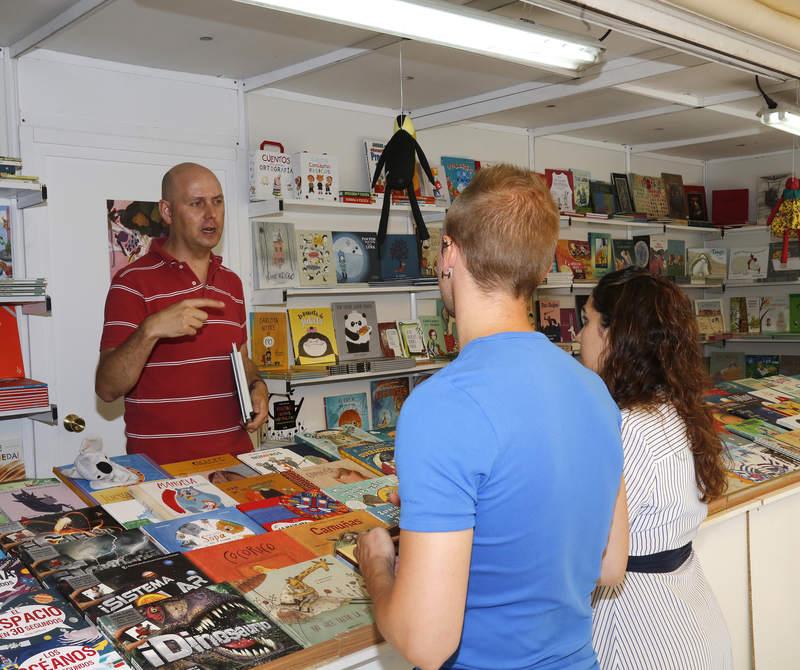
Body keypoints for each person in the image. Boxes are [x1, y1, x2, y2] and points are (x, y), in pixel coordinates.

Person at [355, 165, 628, 670]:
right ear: (541, 268)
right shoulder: (595, 392)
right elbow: (610, 566)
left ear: (450, 253)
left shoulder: (441, 406)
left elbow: (426, 641)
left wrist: (376, 565)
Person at [576, 268, 733, 670]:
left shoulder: (623, 427)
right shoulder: (674, 408)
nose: (580, 337)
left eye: (588, 323)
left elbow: (592, 554)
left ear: (615, 336)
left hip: (640, 636)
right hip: (691, 618)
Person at [96, 162, 267, 464]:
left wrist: (258, 386)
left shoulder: (231, 282)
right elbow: (107, 388)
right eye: (196, 203)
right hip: (162, 473)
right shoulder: (132, 283)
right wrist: (151, 330)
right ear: (167, 211)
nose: (211, 214)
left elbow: (241, 359)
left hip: (236, 464)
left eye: (217, 201)